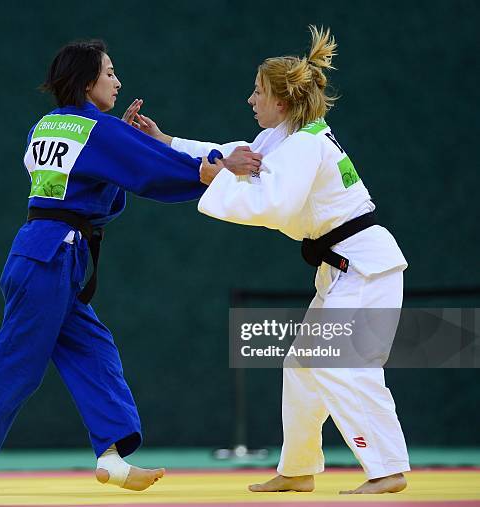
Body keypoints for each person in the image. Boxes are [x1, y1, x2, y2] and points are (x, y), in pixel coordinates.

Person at [0, 39, 261, 496]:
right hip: (51, 259)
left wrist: (117, 142)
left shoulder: (44, 126)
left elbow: (95, 183)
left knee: (93, 349)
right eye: (109, 73)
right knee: (16, 363)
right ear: (87, 81)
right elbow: (152, 170)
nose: (117, 81)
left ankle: (112, 457)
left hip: (42, 254)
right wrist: (220, 166)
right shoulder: (98, 131)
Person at [132, 26, 410, 495]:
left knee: (338, 362)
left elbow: (271, 205)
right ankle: (298, 469)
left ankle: (387, 470)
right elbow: (231, 155)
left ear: (281, 101)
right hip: (344, 269)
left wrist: (211, 179)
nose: (250, 99)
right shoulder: (287, 136)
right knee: (303, 365)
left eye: (258, 92)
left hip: (364, 268)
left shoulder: (304, 145)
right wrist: (166, 141)